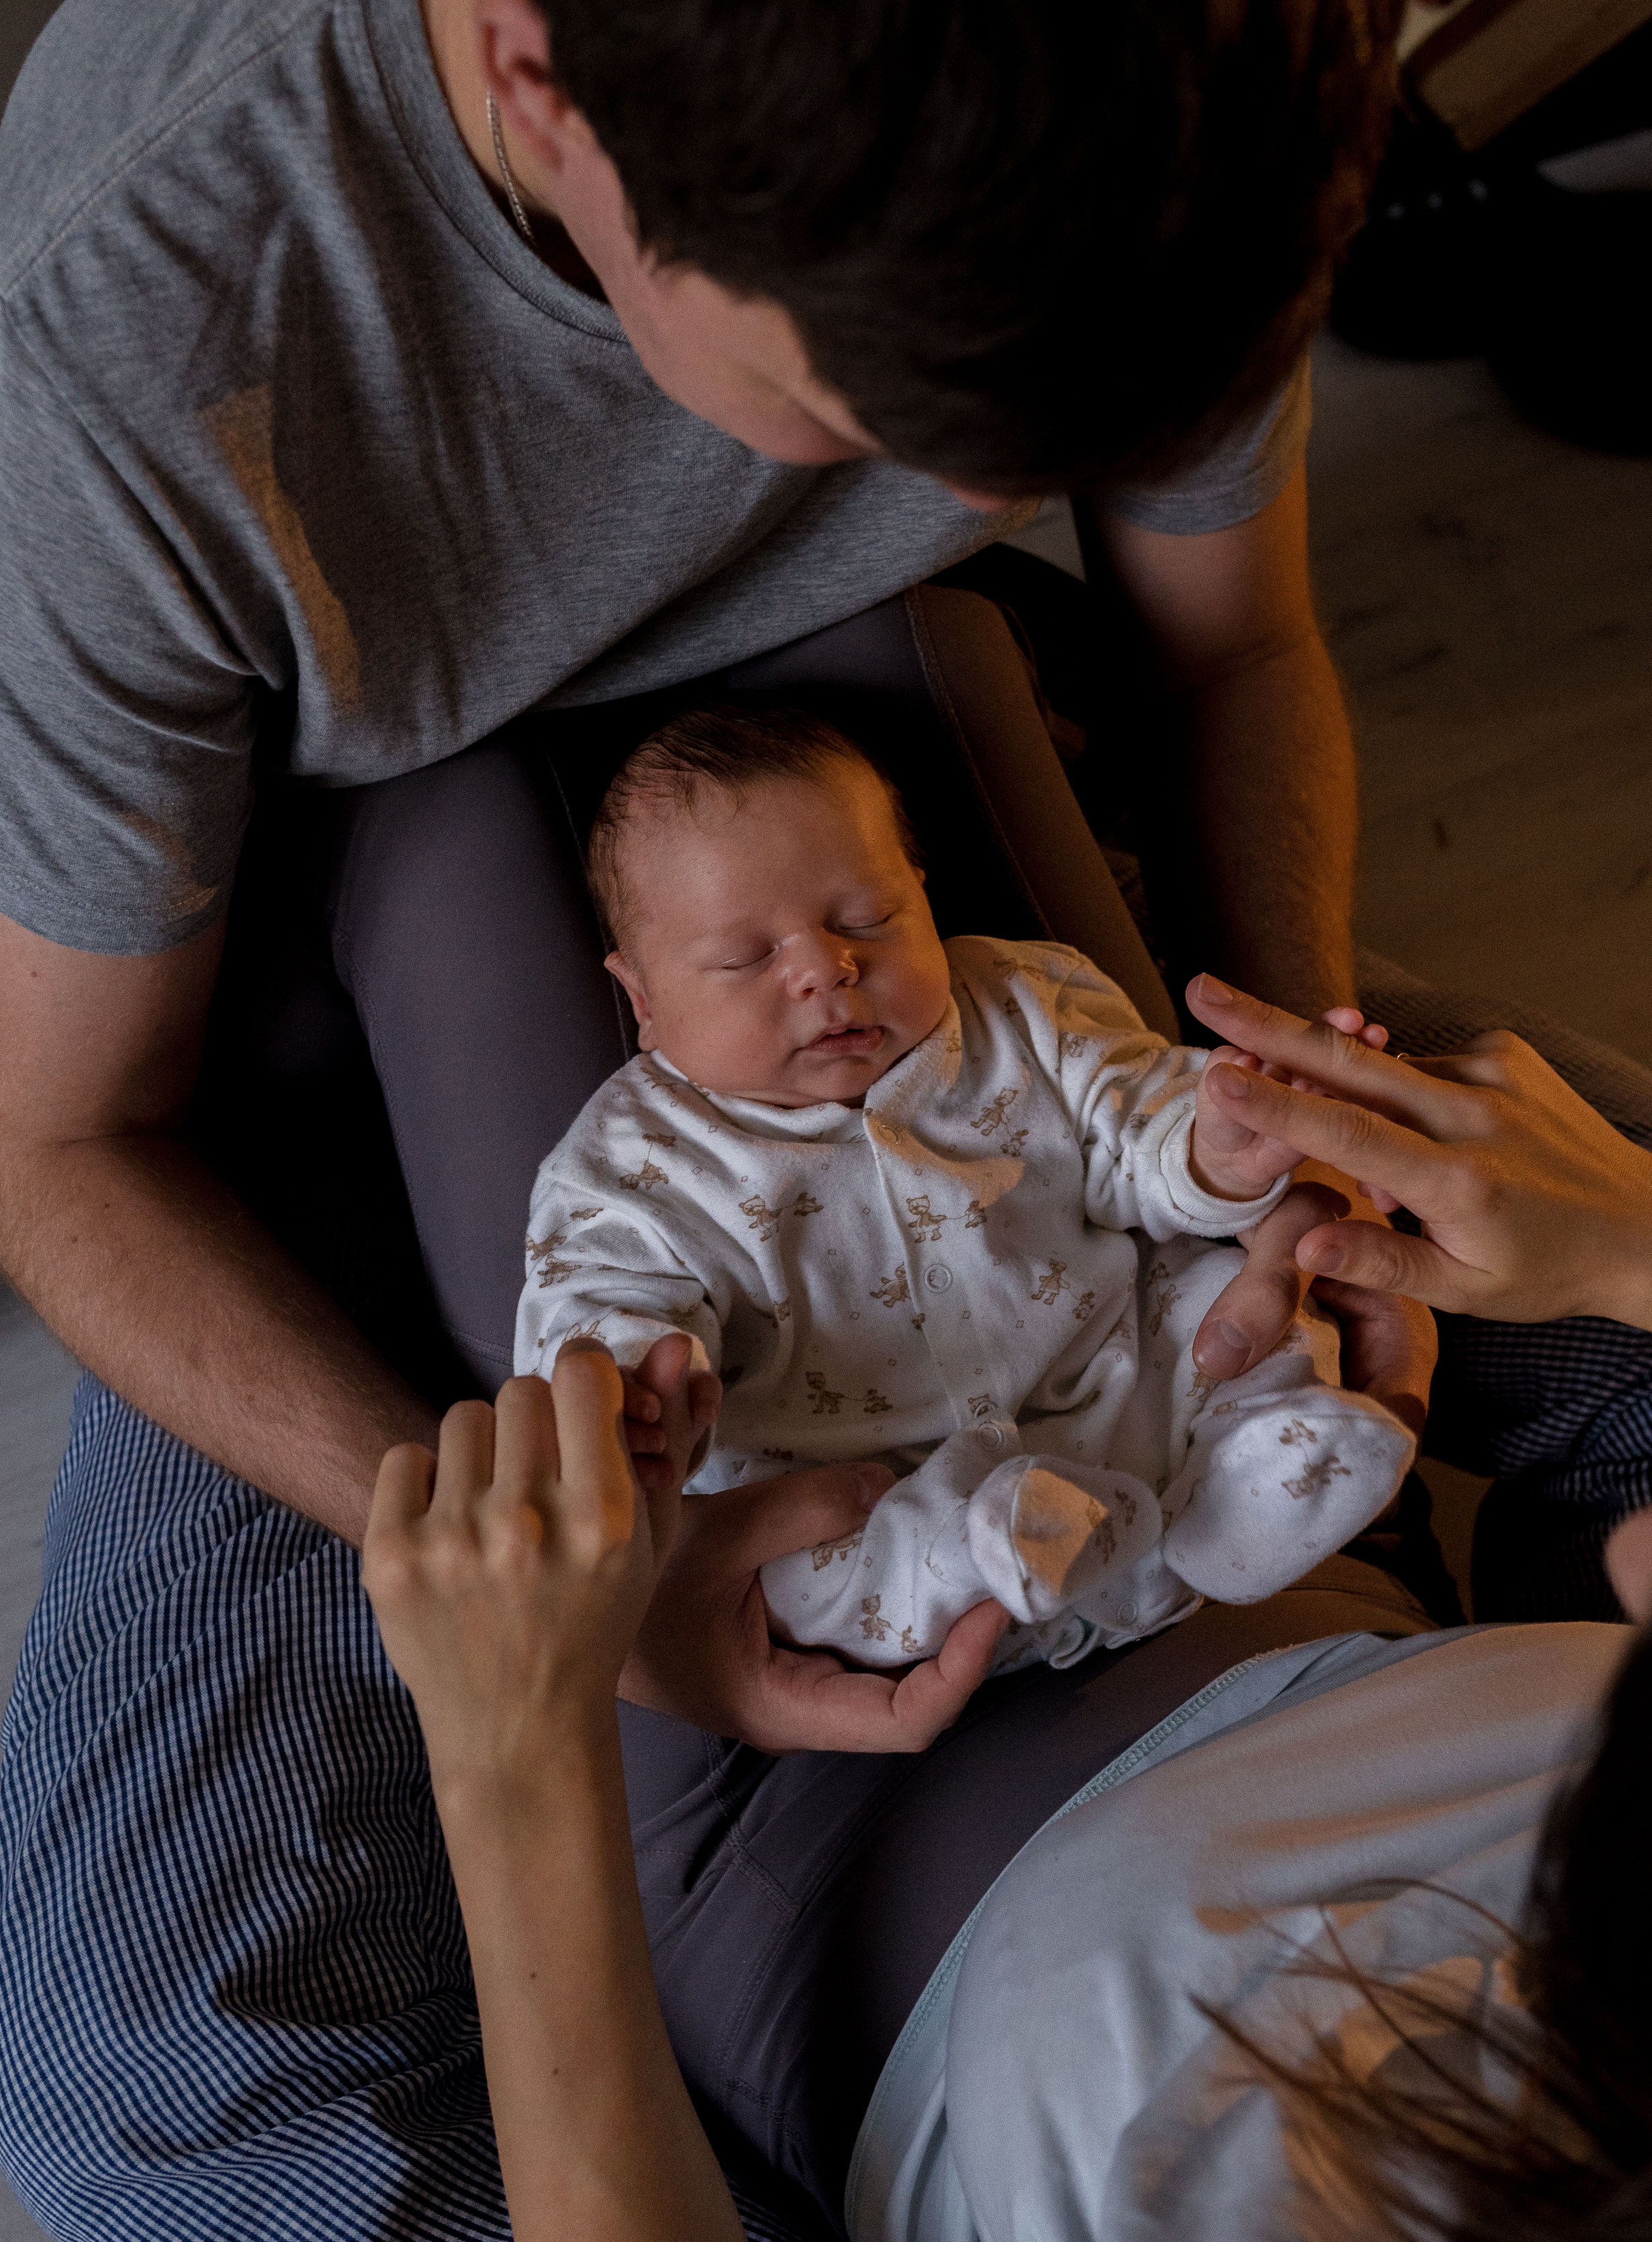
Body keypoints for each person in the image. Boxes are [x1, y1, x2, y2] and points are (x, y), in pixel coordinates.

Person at [0, 0, 1413, 1758]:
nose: (998, 495)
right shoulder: (116, 320)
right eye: (881, 411)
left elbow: (1233, 648)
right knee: (141, 2024)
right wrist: (566, 1585)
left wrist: (1313, 1166)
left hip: (887, 747)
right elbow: (55, 1138)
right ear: (545, 100)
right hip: (303, 888)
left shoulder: (1177, 64)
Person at [354, 1003, 1652, 2242]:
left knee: (121, 2072)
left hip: (840, 1855)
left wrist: (514, 1746)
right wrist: (1627, 1240)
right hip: (1255, 1541)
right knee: (1012, 995)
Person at [518, 704, 1413, 1664]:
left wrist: (1221, 1144)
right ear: (645, 1000)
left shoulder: (1028, 1006)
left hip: (1114, 1373)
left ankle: (1251, 1494)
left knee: (1225, 1302)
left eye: (868, 917)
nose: (827, 966)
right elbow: (597, 1297)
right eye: (746, 958)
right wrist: (637, 1388)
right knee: (799, 1563)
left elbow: (1135, 1131)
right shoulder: (632, 1162)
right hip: (885, 1483)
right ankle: (996, 1556)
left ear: (923, 893)